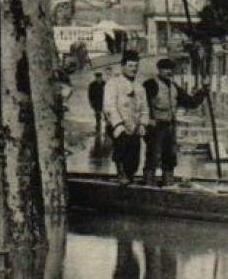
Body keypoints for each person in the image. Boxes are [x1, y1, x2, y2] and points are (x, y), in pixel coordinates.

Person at [141, 57, 209, 186]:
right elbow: (141, 104)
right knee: (153, 157)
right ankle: (148, 186)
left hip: (170, 127)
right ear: (159, 70)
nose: (168, 72)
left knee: (170, 157)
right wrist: (147, 120)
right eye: (165, 69)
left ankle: (168, 184)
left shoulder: (174, 87)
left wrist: (203, 91)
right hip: (155, 128)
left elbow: (191, 102)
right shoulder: (150, 85)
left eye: (170, 69)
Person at [102, 52, 147, 184]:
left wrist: (143, 124)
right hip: (119, 126)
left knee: (134, 158)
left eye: (135, 66)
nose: (133, 69)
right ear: (122, 67)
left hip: (134, 127)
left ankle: (130, 178)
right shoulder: (113, 84)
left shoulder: (140, 87)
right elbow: (109, 106)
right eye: (130, 65)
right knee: (121, 152)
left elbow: (145, 109)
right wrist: (118, 125)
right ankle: (121, 176)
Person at [87, 71, 106, 136]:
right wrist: (91, 103)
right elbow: (90, 95)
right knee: (97, 116)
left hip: (104, 102)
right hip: (96, 103)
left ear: (101, 77)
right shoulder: (92, 85)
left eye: (99, 77)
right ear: (96, 78)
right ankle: (98, 128)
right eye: (97, 77)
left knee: (106, 115)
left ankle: (106, 128)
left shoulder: (105, 84)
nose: (99, 79)